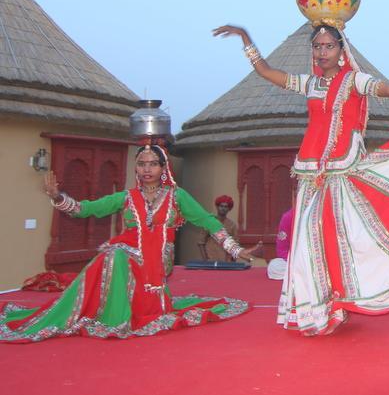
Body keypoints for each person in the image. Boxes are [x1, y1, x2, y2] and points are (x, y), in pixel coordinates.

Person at [213, 24, 389, 335]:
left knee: (343, 240)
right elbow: (266, 72)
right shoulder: (310, 84)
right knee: (307, 242)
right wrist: (246, 39)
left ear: (342, 52)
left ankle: (340, 303)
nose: (322, 52)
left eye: (329, 46)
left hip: (343, 174)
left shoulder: (354, 80)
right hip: (311, 174)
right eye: (317, 46)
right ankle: (319, 310)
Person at [0, 145, 255, 343]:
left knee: (115, 257)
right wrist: (58, 197)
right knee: (112, 256)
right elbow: (86, 208)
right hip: (128, 254)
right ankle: (114, 316)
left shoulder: (177, 196)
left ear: (163, 168)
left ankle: (122, 312)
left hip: (157, 262)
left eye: (153, 164)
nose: (147, 169)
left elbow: (206, 221)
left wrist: (235, 249)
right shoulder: (127, 197)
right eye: (142, 164)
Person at [199, 195, 240, 262]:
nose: (223, 208)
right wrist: (205, 260)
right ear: (217, 207)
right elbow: (201, 242)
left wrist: (232, 260)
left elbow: (236, 244)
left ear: (229, 209)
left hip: (227, 262)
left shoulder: (232, 225)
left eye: (226, 206)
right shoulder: (209, 222)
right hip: (211, 260)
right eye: (221, 206)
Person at [267, 206, 294, 280]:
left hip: (318, 261)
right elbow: (281, 249)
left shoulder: (319, 215)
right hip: (296, 261)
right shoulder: (288, 217)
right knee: (274, 266)